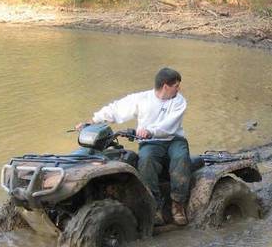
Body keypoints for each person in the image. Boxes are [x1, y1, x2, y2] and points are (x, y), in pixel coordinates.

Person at [76, 67, 190, 226]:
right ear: (165, 86)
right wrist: (93, 121)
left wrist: (150, 130)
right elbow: (117, 109)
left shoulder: (179, 101)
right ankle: (154, 205)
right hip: (151, 142)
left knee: (181, 158)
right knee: (146, 160)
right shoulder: (142, 99)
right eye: (176, 86)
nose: (179, 89)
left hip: (174, 139)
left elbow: (169, 125)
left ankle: (178, 204)